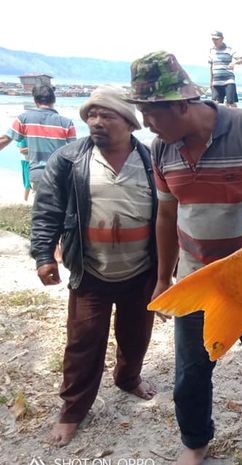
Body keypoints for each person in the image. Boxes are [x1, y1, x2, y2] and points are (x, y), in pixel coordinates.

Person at [127, 51, 242, 465]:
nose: (147, 124)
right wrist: (164, 278)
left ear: (181, 104)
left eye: (151, 114)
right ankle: (195, 440)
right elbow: (167, 213)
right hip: (196, 279)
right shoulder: (160, 149)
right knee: (190, 372)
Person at [29, 85, 158, 447]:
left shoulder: (150, 161)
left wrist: (167, 272)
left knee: (136, 338)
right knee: (83, 344)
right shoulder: (69, 160)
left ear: (130, 123)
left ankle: (128, 379)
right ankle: (72, 411)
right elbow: (47, 212)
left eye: (107, 115)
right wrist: (43, 256)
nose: (96, 121)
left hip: (140, 271)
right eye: (91, 115)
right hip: (91, 274)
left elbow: (170, 215)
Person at [0, 85, 76, 190]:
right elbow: (75, 152)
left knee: (39, 206)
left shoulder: (24, 118)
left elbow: (4, 140)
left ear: (35, 101)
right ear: (54, 100)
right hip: (60, 175)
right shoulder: (67, 123)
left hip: (37, 176)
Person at [209, 30, 242, 108]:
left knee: (230, 102)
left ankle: (235, 118)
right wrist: (211, 82)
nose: (215, 41)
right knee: (215, 103)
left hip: (228, 80)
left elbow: (240, 60)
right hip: (216, 81)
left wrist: (234, 63)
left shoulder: (229, 49)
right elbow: (211, 67)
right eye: (213, 39)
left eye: (216, 39)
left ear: (222, 39)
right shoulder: (211, 50)